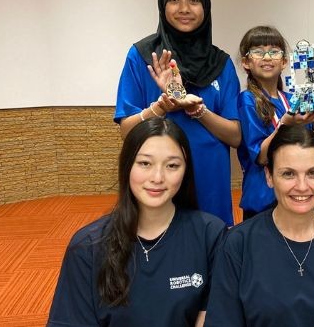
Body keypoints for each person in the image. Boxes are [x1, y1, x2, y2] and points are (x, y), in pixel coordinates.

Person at [48, 118, 227, 327]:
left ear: (185, 170)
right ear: (127, 166)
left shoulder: (211, 234)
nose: (157, 177)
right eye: (145, 163)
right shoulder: (88, 246)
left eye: (172, 165)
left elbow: (214, 315)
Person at [205, 125, 314, 327]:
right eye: (288, 174)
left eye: (312, 173)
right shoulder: (238, 244)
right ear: (269, 176)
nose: (302, 186)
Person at [114, 0, 240, 225]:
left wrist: (197, 110)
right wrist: (161, 107)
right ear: (162, 6)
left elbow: (235, 136)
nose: (184, 8)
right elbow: (127, 129)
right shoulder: (143, 56)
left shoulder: (221, 63)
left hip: (209, 177)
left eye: (194, 0)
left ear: (205, 7)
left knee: (212, 247)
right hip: (157, 177)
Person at [236, 26, 314, 219]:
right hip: (262, 199)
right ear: (246, 62)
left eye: (274, 52)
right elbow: (260, 156)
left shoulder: (294, 99)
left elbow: (308, 146)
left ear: (285, 61)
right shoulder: (247, 100)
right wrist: (285, 123)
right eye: (258, 52)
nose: (267, 57)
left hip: (296, 192)